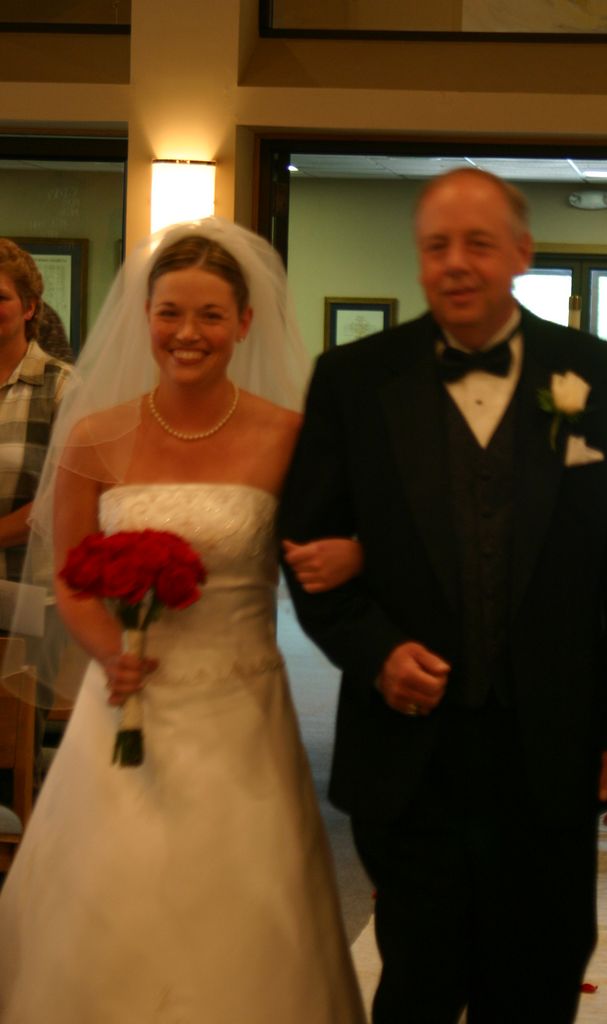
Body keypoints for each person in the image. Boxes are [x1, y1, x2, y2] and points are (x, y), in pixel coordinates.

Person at [279, 168, 607, 1023]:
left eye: (478, 244)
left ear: (520, 254)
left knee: (539, 978)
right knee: (418, 978)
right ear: (419, 261)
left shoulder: (602, 375)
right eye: (436, 246)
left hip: (553, 742)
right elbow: (306, 554)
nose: (456, 263)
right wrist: (374, 650)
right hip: (409, 749)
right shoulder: (353, 378)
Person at [0, 221, 365, 1023]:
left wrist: (351, 553)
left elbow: (335, 538)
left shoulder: (287, 436)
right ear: (145, 320)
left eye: (208, 315)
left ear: (243, 323)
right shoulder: (97, 434)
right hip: (127, 697)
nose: (187, 334)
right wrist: (107, 650)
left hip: (241, 701)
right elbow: (72, 572)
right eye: (170, 313)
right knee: (118, 889)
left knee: (241, 891)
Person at [0, 239, 72, 796]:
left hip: (25, 595)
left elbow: (61, 497)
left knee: (12, 758)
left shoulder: (62, 386)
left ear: (28, 307)